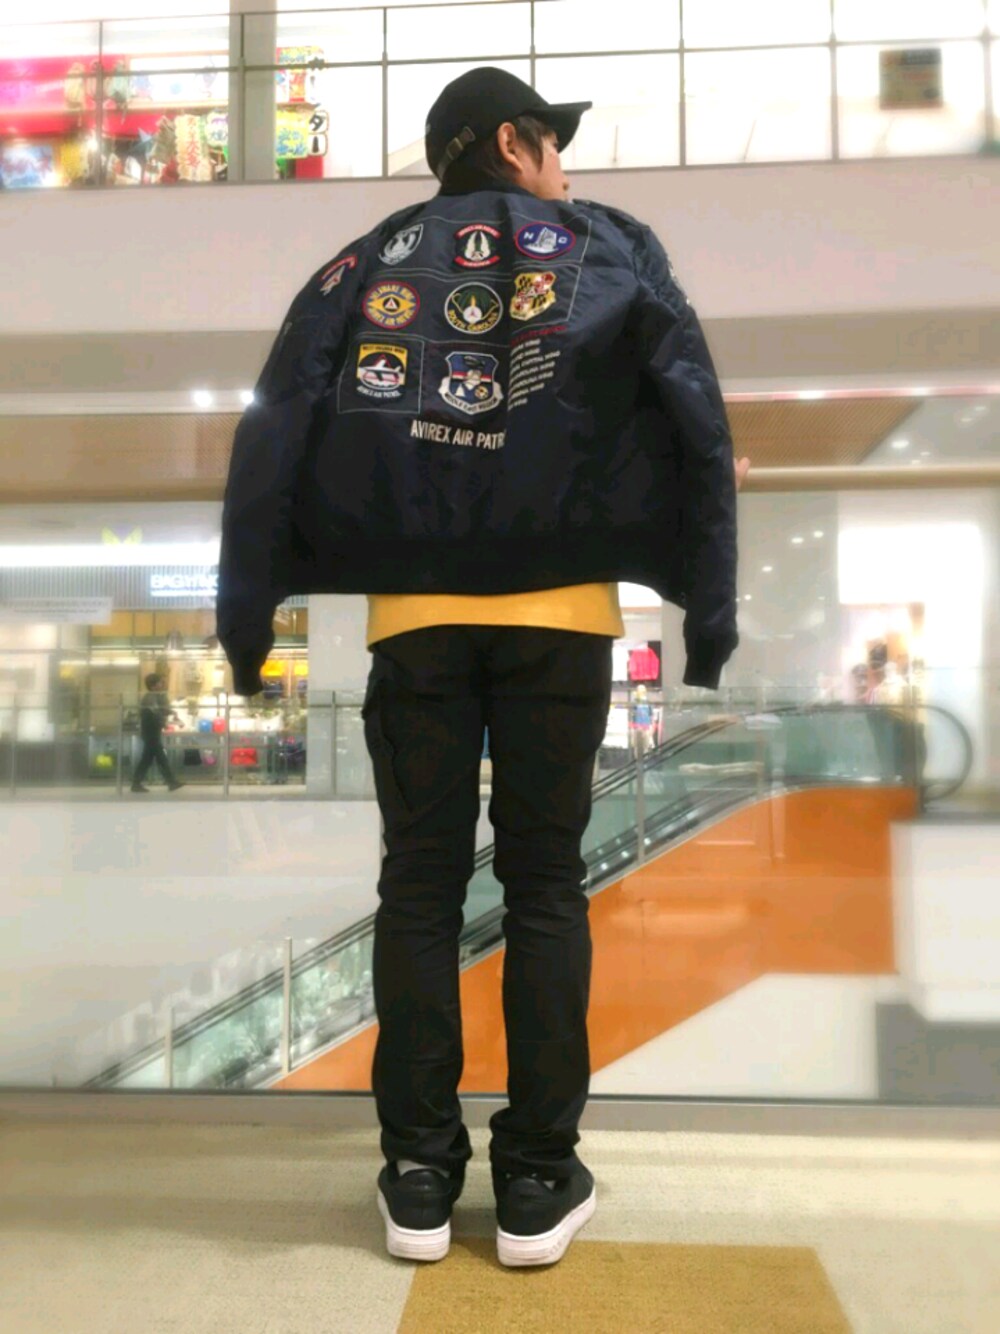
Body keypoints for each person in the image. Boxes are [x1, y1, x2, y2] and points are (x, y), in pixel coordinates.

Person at [217, 67, 747, 1269]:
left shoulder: (367, 261)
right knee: (546, 884)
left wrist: (248, 618)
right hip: (561, 615)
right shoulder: (608, 246)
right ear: (512, 142)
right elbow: (690, 409)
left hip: (416, 619)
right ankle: (536, 1178)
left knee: (418, 886)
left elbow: (276, 419)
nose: (564, 168)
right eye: (553, 144)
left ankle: (417, 1175)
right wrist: (706, 612)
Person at [131, 673, 184, 793]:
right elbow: (155, 714)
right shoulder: (150, 698)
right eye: (160, 682)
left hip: (152, 731)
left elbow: (161, 710)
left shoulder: (155, 696)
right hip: (150, 732)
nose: (162, 684)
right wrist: (164, 723)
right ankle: (171, 782)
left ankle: (136, 783)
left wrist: (172, 713)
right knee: (160, 757)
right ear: (153, 686)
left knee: (147, 759)